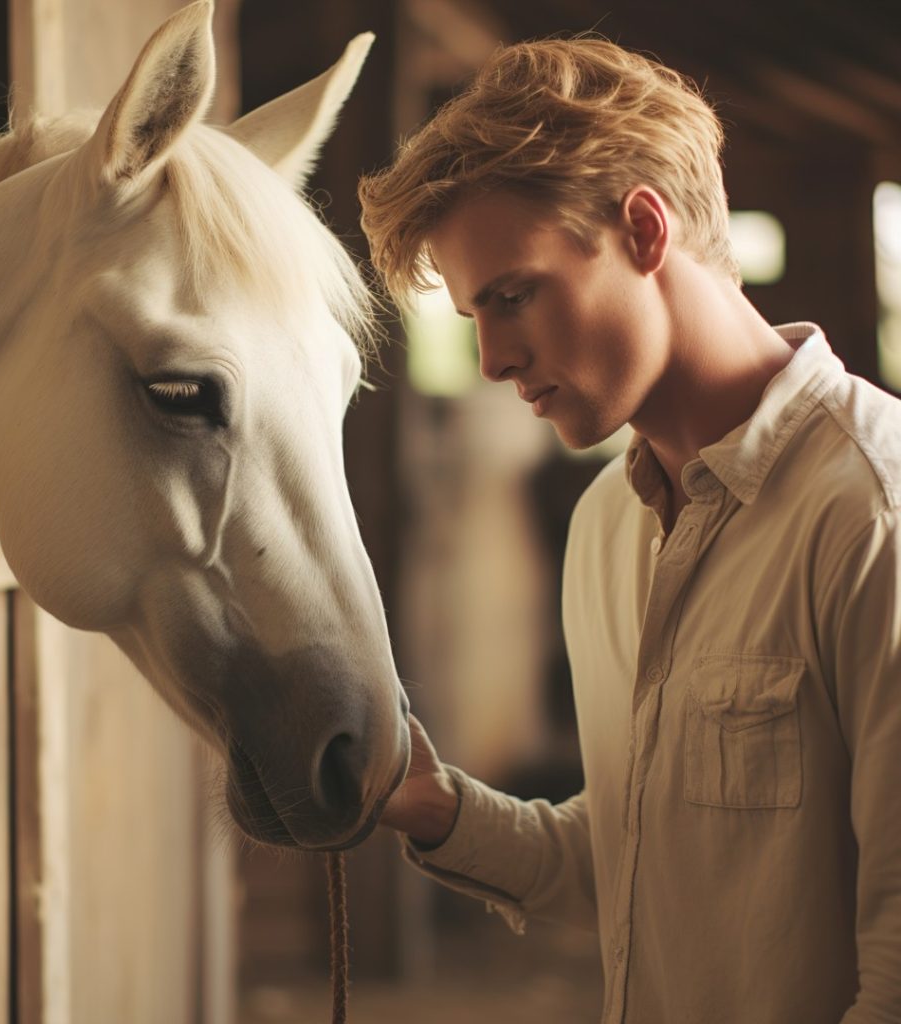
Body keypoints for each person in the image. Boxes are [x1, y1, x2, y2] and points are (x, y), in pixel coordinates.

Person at [357, 37, 901, 1024]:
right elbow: (638, 862)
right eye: (475, 315)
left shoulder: (873, 510)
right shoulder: (609, 525)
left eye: (512, 296)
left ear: (645, 229)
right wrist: (432, 804)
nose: (490, 359)